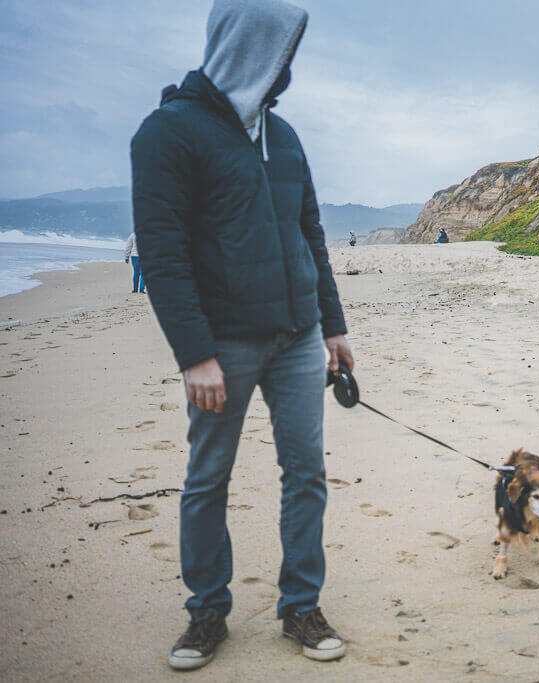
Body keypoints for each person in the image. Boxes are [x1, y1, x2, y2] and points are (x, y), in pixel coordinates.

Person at [131, 0, 353, 670]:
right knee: (208, 478)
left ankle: (301, 605)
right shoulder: (168, 133)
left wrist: (334, 325)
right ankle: (206, 612)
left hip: (296, 335)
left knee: (306, 473)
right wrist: (194, 353)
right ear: (249, 48)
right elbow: (164, 255)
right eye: (281, 50)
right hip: (221, 344)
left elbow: (309, 233)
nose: (289, 66)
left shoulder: (284, 137)